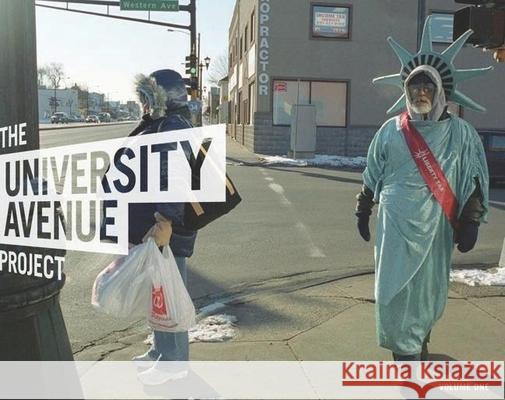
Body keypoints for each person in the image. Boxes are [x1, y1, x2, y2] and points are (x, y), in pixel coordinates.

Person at [355, 17, 490, 361]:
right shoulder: (390, 130)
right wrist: (363, 206)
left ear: (440, 91)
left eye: (426, 88)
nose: (420, 94)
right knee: (394, 290)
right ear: (406, 92)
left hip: (436, 228)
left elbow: (474, 178)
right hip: (395, 226)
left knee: (427, 292)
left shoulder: (461, 134)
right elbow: (373, 170)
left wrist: (471, 219)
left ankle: (418, 341)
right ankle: (405, 351)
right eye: (414, 89)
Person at [126, 69, 196, 363]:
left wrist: (164, 224)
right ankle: (160, 350)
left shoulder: (172, 127)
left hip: (164, 229)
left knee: (169, 298)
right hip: (152, 225)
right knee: (158, 296)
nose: (142, 105)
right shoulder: (160, 124)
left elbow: (174, 180)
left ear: (162, 98)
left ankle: (174, 359)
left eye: (147, 98)